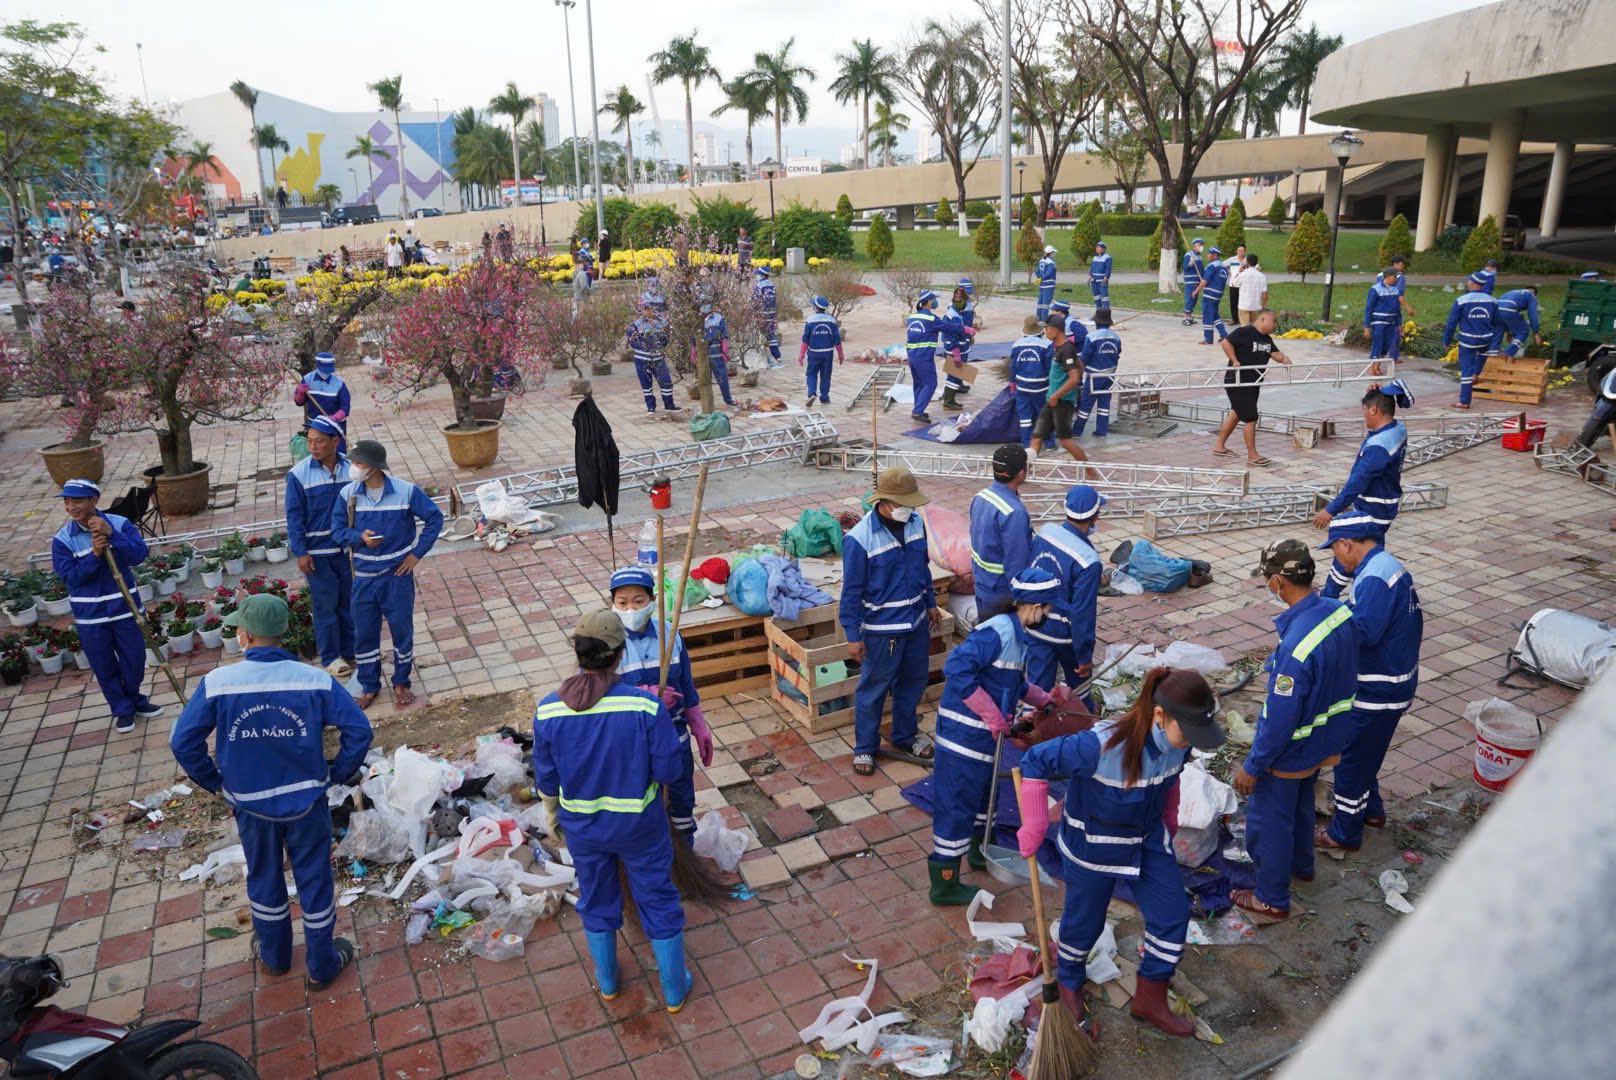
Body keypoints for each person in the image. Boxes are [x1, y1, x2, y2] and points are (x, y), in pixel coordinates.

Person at [170, 594, 371, 991]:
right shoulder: (314, 679)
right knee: (314, 879)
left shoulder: (218, 682)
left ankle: (275, 957)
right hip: (306, 802)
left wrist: (215, 782)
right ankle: (321, 965)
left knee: (264, 877)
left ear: (245, 635)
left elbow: (183, 743)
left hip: (251, 805)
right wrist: (337, 773)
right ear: (283, 633)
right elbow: (359, 730)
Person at [1016, 666, 1226, 1033]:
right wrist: (1034, 823)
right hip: (1093, 846)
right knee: (1084, 922)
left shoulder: (1179, 744)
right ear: (1160, 715)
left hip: (1146, 841)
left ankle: (1150, 997)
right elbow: (1035, 761)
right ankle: (1069, 983)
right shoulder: (1100, 745)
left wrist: (1170, 817)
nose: (1189, 742)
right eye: (1187, 732)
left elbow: (1172, 781)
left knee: (1172, 916)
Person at [533, 610, 692, 1013]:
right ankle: (674, 989)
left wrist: (553, 816)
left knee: (596, 898)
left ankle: (607, 982)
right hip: (641, 828)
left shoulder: (549, 710)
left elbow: (547, 780)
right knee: (657, 898)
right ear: (620, 654)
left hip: (583, 830)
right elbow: (670, 771)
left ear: (578, 653)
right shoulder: (645, 707)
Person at [1231, 540, 1359, 923]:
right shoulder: (1337, 612)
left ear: (1277, 582)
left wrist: (1253, 766)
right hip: (1326, 739)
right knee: (1302, 803)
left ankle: (1271, 898)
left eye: (1267, 580)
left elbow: (1279, 719)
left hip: (1291, 748)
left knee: (1270, 821)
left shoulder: (1295, 649)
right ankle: (1302, 866)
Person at [928, 568, 1060, 905]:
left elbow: (1011, 682)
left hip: (986, 741)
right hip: (963, 736)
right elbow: (957, 669)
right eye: (1047, 609)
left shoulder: (1017, 634)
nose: (1048, 615)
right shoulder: (998, 632)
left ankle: (979, 851)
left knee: (985, 797)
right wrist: (992, 715)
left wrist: (1043, 699)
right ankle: (944, 885)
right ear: (1034, 607)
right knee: (957, 804)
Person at [1315, 519, 1423, 853]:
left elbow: (1364, 631)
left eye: (1335, 550)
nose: (1336, 559)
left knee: (1350, 759)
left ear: (1346, 544)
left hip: (1380, 689)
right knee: (1367, 753)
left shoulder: (1375, 578)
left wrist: (1326, 628)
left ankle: (1343, 833)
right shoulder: (1383, 566)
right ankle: (1372, 812)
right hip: (1394, 680)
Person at [839, 467, 941, 777]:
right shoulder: (859, 540)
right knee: (874, 688)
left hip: (917, 623)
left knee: (913, 682)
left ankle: (905, 736)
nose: (908, 508)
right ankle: (865, 747)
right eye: (902, 503)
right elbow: (851, 591)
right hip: (883, 631)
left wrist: (931, 603)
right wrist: (852, 634)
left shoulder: (915, 523)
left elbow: (923, 568)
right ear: (883, 502)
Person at [329, 439, 443, 710]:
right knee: (364, 634)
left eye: (358, 463)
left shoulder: (406, 491)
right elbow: (337, 531)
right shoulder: (348, 495)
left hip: (397, 577)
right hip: (364, 578)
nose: (353, 467)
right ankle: (369, 685)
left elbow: (435, 518)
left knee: (402, 630)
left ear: (373, 467)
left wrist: (416, 555)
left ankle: (401, 682)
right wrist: (359, 537)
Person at [607, 567, 713, 844]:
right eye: (622, 602)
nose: (631, 609)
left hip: (673, 734)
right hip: (631, 741)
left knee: (680, 796)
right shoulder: (607, 641)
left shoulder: (670, 633)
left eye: (638, 601)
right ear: (612, 603)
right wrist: (647, 697)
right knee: (643, 802)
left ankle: (684, 851)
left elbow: (686, 684)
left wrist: (699, 726)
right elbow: (600, 698)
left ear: (653, 601)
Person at [51, 479, 163, 734]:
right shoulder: (63, 540)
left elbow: (138, 555)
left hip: (126, 609)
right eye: (67, 501)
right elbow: (71, 578)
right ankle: (122, 709)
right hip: (91, 617)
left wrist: (112, 535)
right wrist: (94, 556)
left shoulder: (120, 524)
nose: (71, 507)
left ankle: (135, 699)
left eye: (77, 500)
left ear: (94, 500)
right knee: (104, 666)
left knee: (134, 659)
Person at [1311, 380, 1413, 596]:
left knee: (1348, 550)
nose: (1364, 415)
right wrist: (1378, 395)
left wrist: (1331, 510)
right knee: (1371, 550)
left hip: (1373, 509)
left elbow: (1357, 483)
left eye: (1366, 410)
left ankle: (1330, 596)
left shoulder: (1378, 447)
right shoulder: (1397, 429)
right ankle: (1367, 588)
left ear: (1374, 410)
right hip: (1385, 505)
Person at [285, 417, 356, 678]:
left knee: (349, 603)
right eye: (310, 442)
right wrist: (301, 552)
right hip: (318, 555)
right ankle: (330, 657)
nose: (313, 447)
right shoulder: (298, 475)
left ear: (335, 441)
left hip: (348, 551)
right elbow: (294, 517)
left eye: (319, 441)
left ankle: (351, 652)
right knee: (325, 607)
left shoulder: (352, 469)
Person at [1026, 485, 1105, 699]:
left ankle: (1031, 720)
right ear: (1095, 516)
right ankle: (1083, 718)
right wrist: (1084, 655)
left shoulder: (1045, 533)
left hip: (1035, 625)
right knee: (1079, 693)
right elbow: (1082, 613)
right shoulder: (1089, 561)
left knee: (1037, 694)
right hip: (1066, 637)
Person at [1212, 308, 1292, 466]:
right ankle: (1252, 455)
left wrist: (1285, 359)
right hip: (1238, 381)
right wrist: (1235, 360)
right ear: (1263, 319)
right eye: (1274, 321)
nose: (1275, 325)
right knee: (1251, 418)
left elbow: (1275, 354)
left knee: (1236, 414)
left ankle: (1219, 446)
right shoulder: (1244, 332)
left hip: (1253, 383)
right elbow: (1226, 342)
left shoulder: (1267, 339)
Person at [968, 445, 1032, 616]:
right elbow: (1016, 562)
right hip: (1002, 594)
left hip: (982, 584)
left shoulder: (980, 496)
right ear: (1021, 473)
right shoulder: (1014, 512)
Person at [1030, 313, 1088, 463]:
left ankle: (1090, 470)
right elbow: (1080, 365)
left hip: (1062, 402)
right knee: (1037, 437)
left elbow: (1074, 378)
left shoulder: (1066, 350)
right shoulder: (1061, 348)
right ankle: (1025, 470)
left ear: (1056, 330)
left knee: (1065, 441)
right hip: (1052, 400)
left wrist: (1057, 395)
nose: (1045, 332)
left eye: (1047, 329)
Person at [1442, 273, 1499, 409]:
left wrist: (1446, 341)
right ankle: (1476, 374)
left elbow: (1451, 324)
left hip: (1467, 341)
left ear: (1472, 283)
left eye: (1469, 281)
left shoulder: (1461, 300)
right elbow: (1497, 322)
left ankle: (1464, 401)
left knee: (1466, 370)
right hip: (1486, 339)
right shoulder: (1493, 301)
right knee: (1482, 354)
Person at [627, 295, 679, 413]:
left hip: (658, 357)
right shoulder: (636, 325)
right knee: (646, 383)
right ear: (641, 309)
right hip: (642, 358)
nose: (649, 311)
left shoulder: (662, 323)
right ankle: (650, 406)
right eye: (645, 308)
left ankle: (669, 405)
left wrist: (660, 344)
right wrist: (644, 345)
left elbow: (667, 338)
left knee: (666, 381)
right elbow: (632, 341)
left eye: (650, 308)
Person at [1074, 308, 1121, 438]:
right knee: (1104, 403)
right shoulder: (1116, 337)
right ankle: (1102, 431)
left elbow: (1084, 357)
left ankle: (1077, 431)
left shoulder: (1091, 337)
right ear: (1109, 323)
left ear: (1096, 322)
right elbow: (1117, 354)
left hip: (1094, 376)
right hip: (1110, 375)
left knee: (1086, 404)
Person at [1010, 313, 1053, 447]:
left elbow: (1014, 366)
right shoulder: (1046, 345)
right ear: (1040, 330)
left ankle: (1027, 444)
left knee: (1024, 417)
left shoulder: (1016, 345)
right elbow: (1049, 367)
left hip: (1022, 387)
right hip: (1041, 387)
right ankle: (1049, 443)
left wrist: (1012, 382)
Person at [294, 351, 351, 449]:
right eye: (324, 370)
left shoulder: (339, 383)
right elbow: (299, 402)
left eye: (329, 370)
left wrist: (335, 418)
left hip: (335, 426)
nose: (326, 373)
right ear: (317, 365)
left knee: (337, 452)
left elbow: (345, 407)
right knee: (318, 452)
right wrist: (300, 393)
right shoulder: (307, 379)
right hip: (315, 426)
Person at [905, 290, 945, 422]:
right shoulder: (931, 319)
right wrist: (965, 330)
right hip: (924, 357)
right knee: (931, 383)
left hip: (912, 356)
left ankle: (918, 409)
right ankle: (918, 411)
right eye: (933, 299)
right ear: (928, 302)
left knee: (919, 384)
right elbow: (948, 327)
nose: (935, 302)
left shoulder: (911, 318)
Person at [799, 294, 844, 408]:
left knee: (811, 374)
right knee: (826, 375)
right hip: (828, 353)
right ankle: (824, 397)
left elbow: (805, 339)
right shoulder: (832, 321)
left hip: (814, 353)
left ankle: (812, 394)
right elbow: (837, 340)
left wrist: (801, 355)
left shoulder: (810, 321)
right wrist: (841, 354)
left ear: (815, 307)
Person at [940, 278, 978, 411]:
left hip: (961, 344)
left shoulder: (957, 310)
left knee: (956, 372)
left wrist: (968, 336)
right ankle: (948, 401)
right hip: (957, 347)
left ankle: (953, 391)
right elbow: (953, 334)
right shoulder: (955, 315)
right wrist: (956, 352)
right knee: (954, 373)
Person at [1363, 268, 1404, 374]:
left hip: (1391, 323)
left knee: (1386, 345)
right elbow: (1369, 308)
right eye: (1394, 277)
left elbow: (1397, 309)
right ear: (1388, 277)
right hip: (1378, 322)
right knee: (1378, 344)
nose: (1396, 279)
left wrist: (1399, 324)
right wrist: (1367, 326)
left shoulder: (1396, 290)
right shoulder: (1375, 289)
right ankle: (1372, 368)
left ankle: (1378, 366)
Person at [698, 304, 736, 406]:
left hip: (717, 353)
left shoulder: (718, 317)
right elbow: (694, 336)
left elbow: (724, 333)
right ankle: (707, 404)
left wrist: (725, 345)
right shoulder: (697, 319)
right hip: (703, 354)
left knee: (722, 377)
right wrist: (694, 349)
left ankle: (728, 399)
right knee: (705, 379)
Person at [1194, 246, 1230, 345]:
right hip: (1218, 295)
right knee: (1214, 315)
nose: (1208, 255)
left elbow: (1204, 281)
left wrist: (1196, 291)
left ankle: (1208, 339)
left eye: (1210, 253)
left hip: (1209, 295)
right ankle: (1224, 334)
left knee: (1207, 316)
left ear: (1215, 255)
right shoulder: (1223, 267)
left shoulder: (1211, 266)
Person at [1494, 285, 1541, 358]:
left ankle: (1492, 353)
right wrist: (1536, 333)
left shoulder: (1513, 292)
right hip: (1509, 310)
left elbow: (1504, 312)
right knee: (1523, 332)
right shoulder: (1532, 296)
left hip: (1495, 311)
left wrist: (1508, 330)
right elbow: (1533, 315)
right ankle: (1507, 353)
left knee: (1498, 331)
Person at [753, 266, 782, 366]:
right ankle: (777, 356)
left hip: (761, 315)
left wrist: (754, 312)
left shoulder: (759, 286)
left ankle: (762, 355)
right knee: (771, 335)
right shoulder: (772, 285)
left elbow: (755, 301)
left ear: (761, 275)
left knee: (759, 335)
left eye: (757, 274)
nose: (756, 276)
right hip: (772, 314)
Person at [1235, 252, 1268, 327]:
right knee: (1255, 327)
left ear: (1247, 262)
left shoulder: (1243, 274)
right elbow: (1265, 293)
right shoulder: (1262, 276)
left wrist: (1239, 272)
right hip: (1256, 306)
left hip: (1244, 305)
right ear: (1256, 263)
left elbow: (1234, 283)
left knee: (1244, 327)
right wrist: (1264, 305)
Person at [1181, 237, 1207, 325]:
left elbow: (1201, 269)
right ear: (1194, 246)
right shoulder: (1189, 254)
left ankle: (1190, 316)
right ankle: (1185, 317)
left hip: (1197, 281)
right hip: (1190, 281)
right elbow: (1185, 267)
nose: (1201, 247)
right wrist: (1190, 263)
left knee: (1194, 299)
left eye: (1202, 245)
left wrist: (1203, 279)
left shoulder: (1199, 256)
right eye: (1200, 245)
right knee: (1190, 299)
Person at [1226, 243, 1248, 324]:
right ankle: (1234, 320)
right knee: (1233, 303)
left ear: (1245, 251)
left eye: (1243, 251)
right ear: (1237, 251)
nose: (1241, 252)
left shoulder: (1248, 260)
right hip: (1233, 285)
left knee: (1243, 304)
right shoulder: (1232, 260)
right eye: (1239, 250)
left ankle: (1242, 320)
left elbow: (1258, 268)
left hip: (1244, 286)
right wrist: (1228, 271)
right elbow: (1222, 265)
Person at [1035, 244, 1058, 321]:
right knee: (1046, 304)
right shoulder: (1051, 262)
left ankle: (1038, 318)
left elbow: (1037, 271)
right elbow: (1049, 273)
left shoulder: (1041, 260)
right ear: (1050, 253)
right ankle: (1044, 320)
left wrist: (1040, 278)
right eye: (1053, 252)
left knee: (1040, 302)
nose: (1054, 254)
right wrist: (1043, 277)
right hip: (1049, 285)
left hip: (1042, 284)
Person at [1088, 241, 1112, 310]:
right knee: (1096, 297)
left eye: (1099, 247)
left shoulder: (1107, 258)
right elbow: (1092, 268)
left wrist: (1106, 277)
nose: (1097, 249)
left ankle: (1106, 313)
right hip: (1094, 280)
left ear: (1103, 249)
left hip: (1102, 280)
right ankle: (1099, 312)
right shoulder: (1095, 257)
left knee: (1104, 298)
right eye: (1097, 247)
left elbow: (1108, 269)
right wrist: (1090, 277)